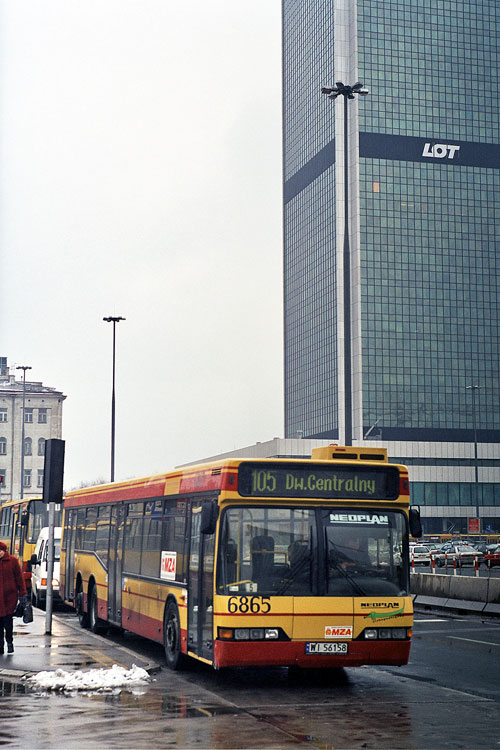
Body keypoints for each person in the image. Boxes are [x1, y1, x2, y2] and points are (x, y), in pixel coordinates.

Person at [0, 541, 27, 654]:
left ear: (4, 551)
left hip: (9, 597)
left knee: (8, 621)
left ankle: (10, 642)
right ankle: (0, 645)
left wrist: (23, 593)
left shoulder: (13, 561)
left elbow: (19, 578)